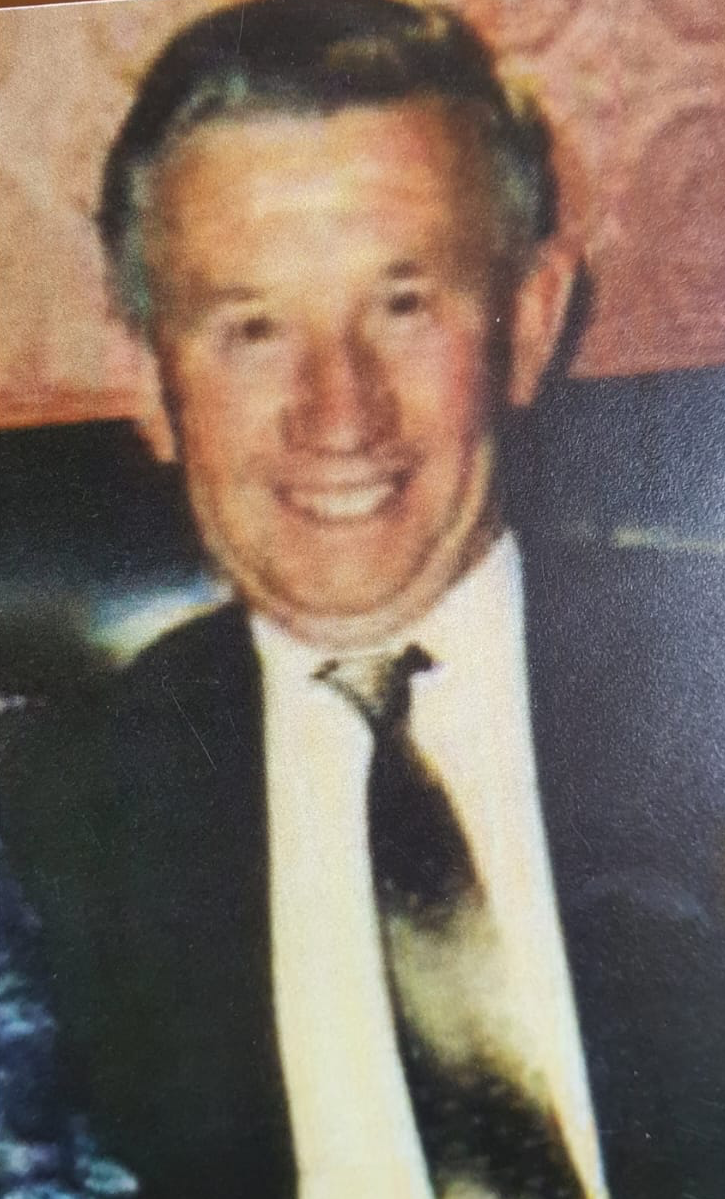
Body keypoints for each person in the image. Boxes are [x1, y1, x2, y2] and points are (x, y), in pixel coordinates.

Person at [3, 2, 725, 1197]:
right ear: (145, 377)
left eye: (402, 305)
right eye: (251, 327)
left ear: (527, 320)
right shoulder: (51, 836)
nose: (337, 412)